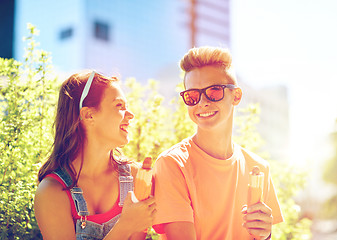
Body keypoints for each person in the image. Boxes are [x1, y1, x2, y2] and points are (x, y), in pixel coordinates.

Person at [153, 47, 283, 240]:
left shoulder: (259, 168)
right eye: (192, 95)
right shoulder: (172, 165)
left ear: (236, 96)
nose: (202, 102)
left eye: (214, 91)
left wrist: (265, 236)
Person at [34, 71, 156, 240]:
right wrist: (126, 226)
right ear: (88, 115)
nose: (130, 115)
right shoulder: (52, 192)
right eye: (119, 106)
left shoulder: (136, 177)